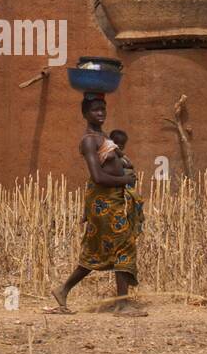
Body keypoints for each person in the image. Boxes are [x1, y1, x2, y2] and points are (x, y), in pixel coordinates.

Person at [45, 95, 147, 316]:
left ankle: (62, 290)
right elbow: (97, 176)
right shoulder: (89, 140)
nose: (100, 113)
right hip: (104, 202)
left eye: (103, 109)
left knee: (96, 250)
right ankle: (122, 304)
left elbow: (114, 163)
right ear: (85, 114)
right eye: (95, 110)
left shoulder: (104, 137)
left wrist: (125, 168)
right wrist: (124, 180)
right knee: (123, 245)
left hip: (112, 199)